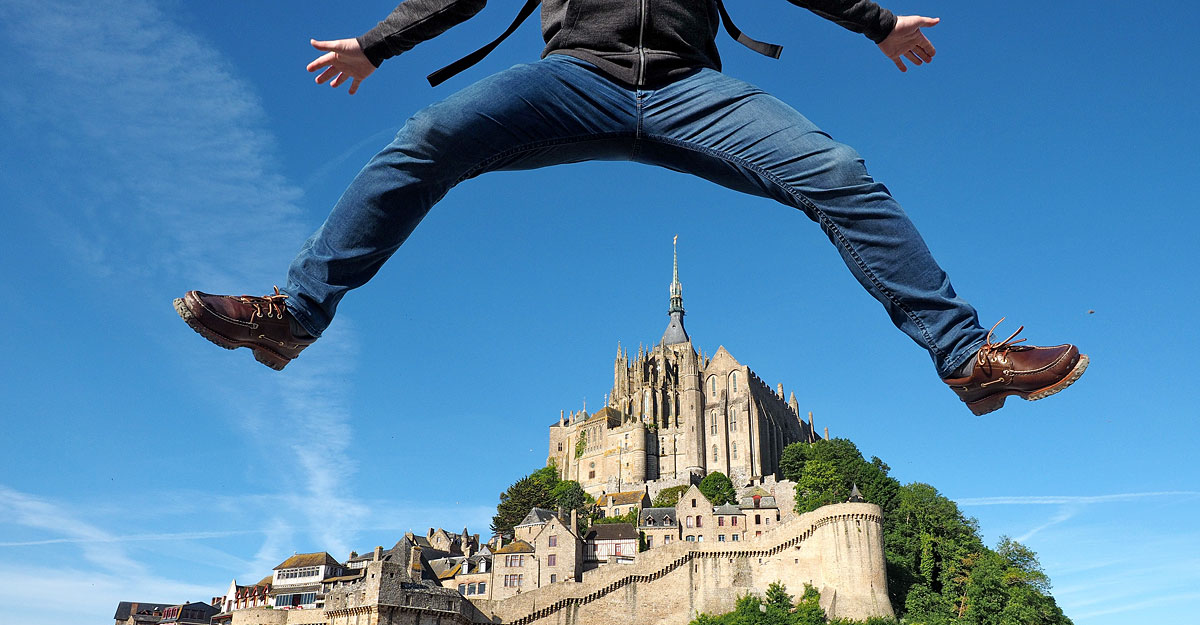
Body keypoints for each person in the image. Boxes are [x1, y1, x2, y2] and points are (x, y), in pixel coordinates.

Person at [174, 0, 1087, 416]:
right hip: (575, 79)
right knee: (427, 140)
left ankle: (967, 358)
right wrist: (378, 44)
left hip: (692, 89)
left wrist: (875, 21)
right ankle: (293, 315)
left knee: (839, 172)